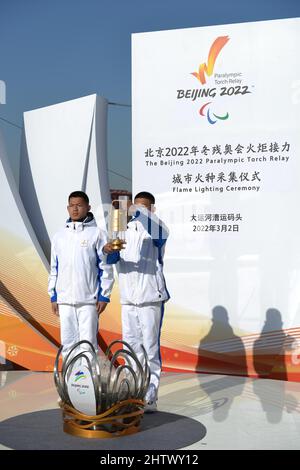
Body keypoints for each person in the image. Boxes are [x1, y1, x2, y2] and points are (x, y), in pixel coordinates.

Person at [104, 191, 170, 412]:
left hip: (151, 296)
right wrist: (110, 250)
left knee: (150, 347)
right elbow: (112, 258)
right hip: (128, 299)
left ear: (152, 209)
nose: (136, 210)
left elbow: (161, 234)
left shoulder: (156, 229)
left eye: (143, 207)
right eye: (135, 207)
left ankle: (151, 394)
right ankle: (133, 389)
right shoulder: (122, 227)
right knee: (131, 347)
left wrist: (136, 210)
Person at [48, 191, 114, 358]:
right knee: (68, 341)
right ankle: (71, 379)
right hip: (64, 300)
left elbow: (105, 267)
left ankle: (87, 381)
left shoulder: (98, 234)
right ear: (67, 208)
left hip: (88, 300)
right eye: (72, 205)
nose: (75, 209)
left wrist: (104, 296)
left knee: (88, 342)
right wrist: (54, 296)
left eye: (79, 205)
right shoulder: (59, 236)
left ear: (88, 207)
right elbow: (54, 268)